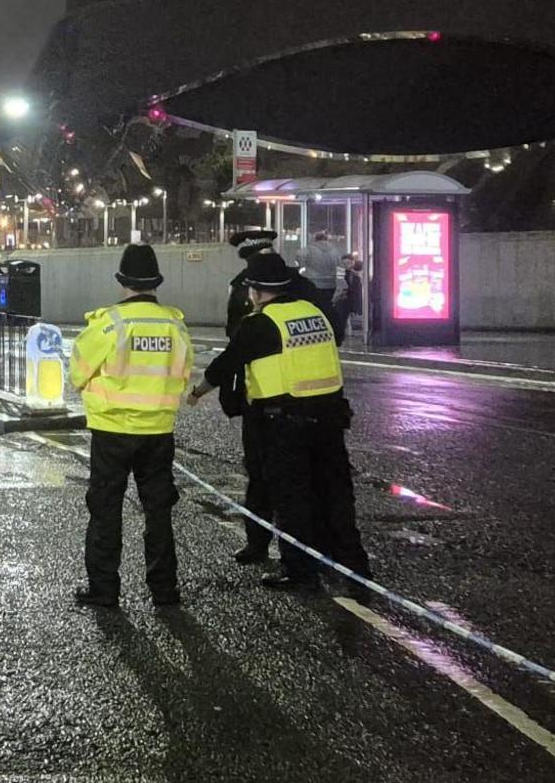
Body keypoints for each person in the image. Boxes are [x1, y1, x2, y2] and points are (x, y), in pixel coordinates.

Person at [192, 250, 371, 591]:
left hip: (285, 423)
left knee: (293, 498)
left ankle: (301, 571)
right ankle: (355, 567)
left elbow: (225, 365)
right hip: (330, 419)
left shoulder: (260, 323)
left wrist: (198, 392)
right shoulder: (315, 313)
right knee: (335, 494)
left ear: (257, 292)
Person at [71, 244, 194, 609]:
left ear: (122, 281)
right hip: (158, 431)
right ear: (156, 282)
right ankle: (164, 590)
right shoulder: (175, 325)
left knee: (106, 510)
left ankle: (104, 589)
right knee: (158, 512)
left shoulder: (110, 324)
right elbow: (184, 375)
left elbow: (77, 373)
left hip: (111, 431)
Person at [222, 229, 278, 563]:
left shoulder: (244, 284)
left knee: (259, 472)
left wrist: (228, 389)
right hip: (314, 396)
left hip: (261, 394)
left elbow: (236, 339)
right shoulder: (301, 284)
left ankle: (259, 543)